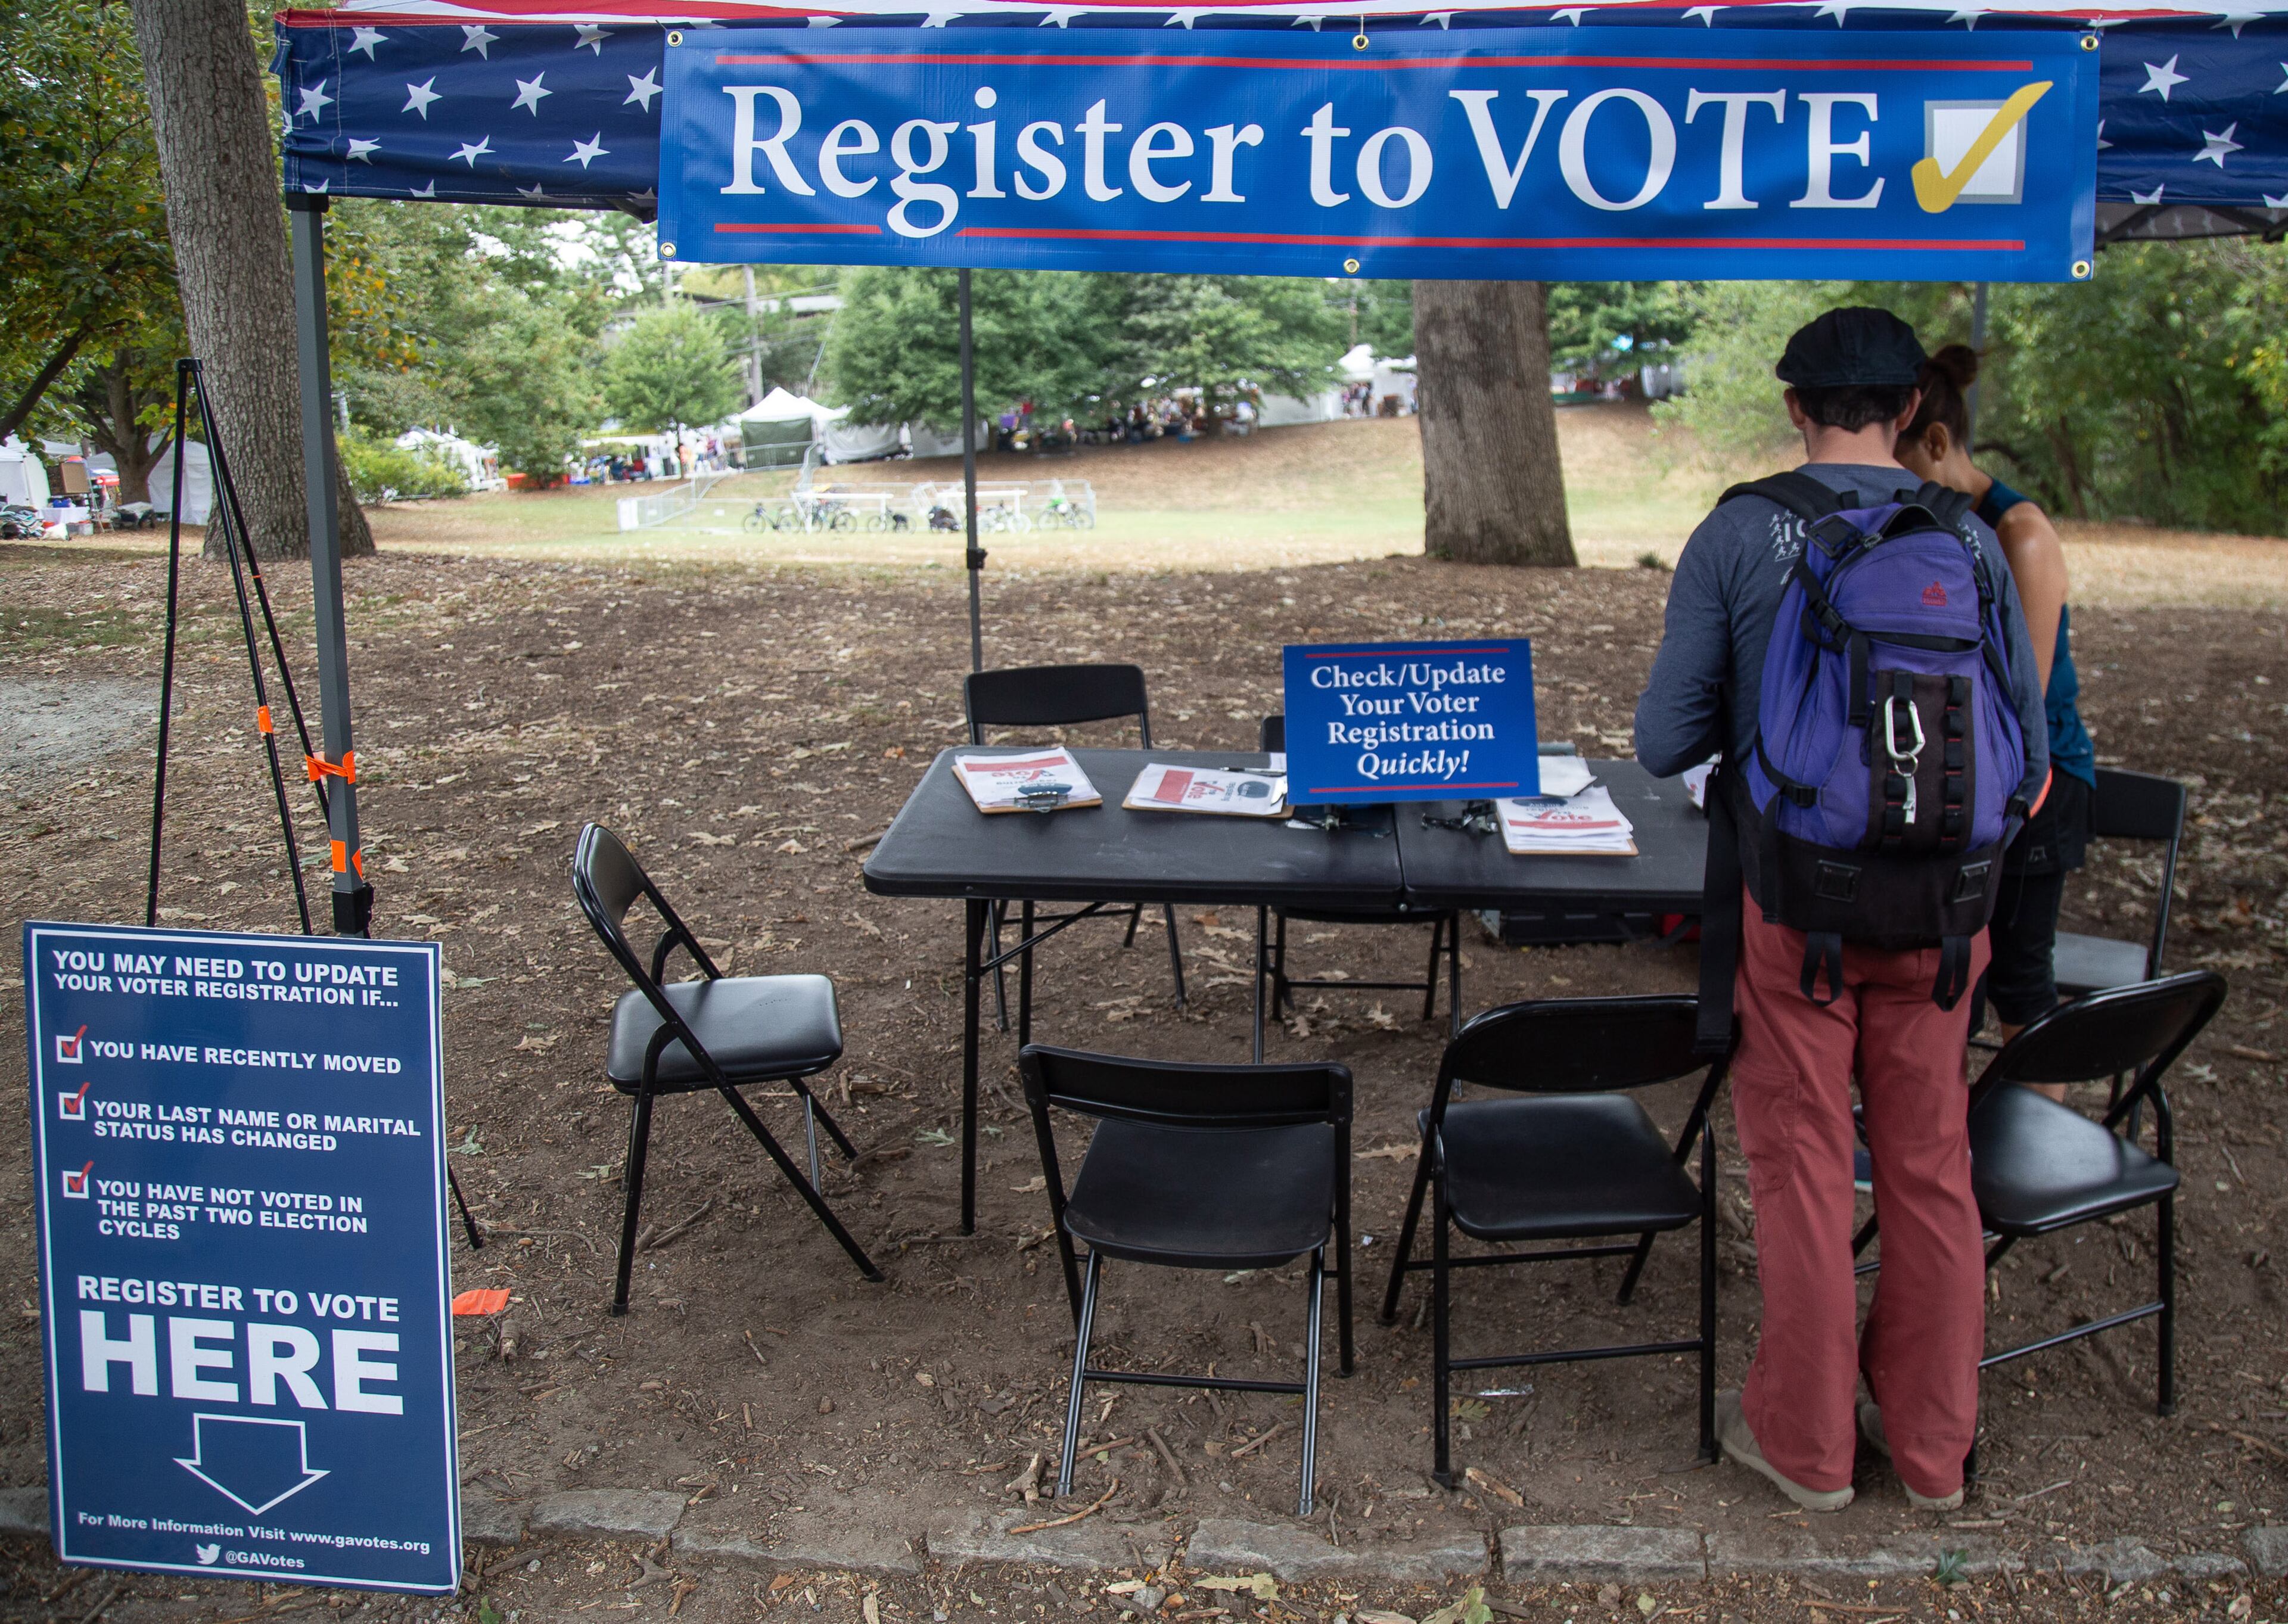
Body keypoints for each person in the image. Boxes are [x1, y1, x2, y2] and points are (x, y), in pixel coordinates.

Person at [1635, 309, 2050, 1516]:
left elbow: (1665, 741)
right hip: (1946, 912)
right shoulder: (1970, 542)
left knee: (1806, 1161)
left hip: (1797, 909)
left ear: (1794, 407)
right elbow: (2021, 747)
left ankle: (1808, 1448)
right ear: (1912, 411)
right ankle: (1930, 1451)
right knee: (1931, 1167)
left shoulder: (1741, 530)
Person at [1895, 346, 2096, 1094]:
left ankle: (2038, 1162)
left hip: (2035, 782)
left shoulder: (2021, 532)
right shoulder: (1922, 519)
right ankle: (1943, 1143)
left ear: (1939, 444)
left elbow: (2025, 699)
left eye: (1902, 462)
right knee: (1948, 978)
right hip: (1954, 772)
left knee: (2020, 979)